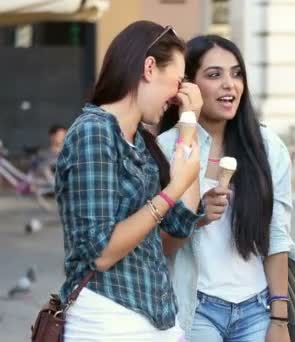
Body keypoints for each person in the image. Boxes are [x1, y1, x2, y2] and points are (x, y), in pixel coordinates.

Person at [55, 21, 204, 341]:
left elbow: (180, 224)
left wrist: (189, 125)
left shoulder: (140, 142)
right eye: (177, 82)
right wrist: (173, 190)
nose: (178, 97)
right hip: (107, 318)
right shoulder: (94, 131)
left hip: (157, 318)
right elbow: (101, 251)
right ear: (149, 67)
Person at [157, 35, 295, 342]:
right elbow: (155, 246)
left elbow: (277, 235)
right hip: (194, 307)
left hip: (257, 307)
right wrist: (196, 219)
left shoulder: (266, 147)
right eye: (214, 75)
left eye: (236, 74)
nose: (230, 84)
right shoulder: (168, 146)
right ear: (189, 86)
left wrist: (279, 319)